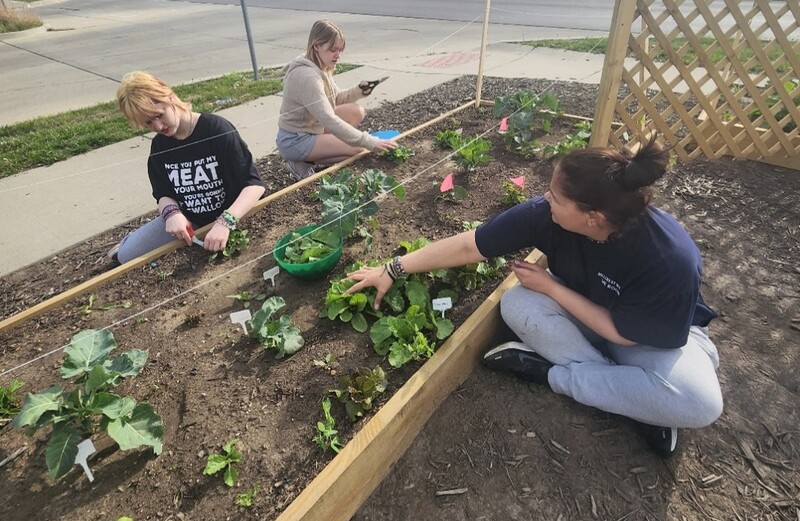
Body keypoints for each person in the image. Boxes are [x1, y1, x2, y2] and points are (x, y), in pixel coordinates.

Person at [346, 137, 723, 458]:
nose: (545, 199)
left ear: (593, 216)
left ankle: (556, 376)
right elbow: (470, 245)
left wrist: (554, 288)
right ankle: (635, 401)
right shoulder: (546, 215)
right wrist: (393, 268)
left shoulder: (670, 257)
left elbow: (626, 335)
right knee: (517, 304)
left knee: (701, 401)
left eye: (557, 197)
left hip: (647, 341)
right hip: (589, 325)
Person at [109, 71, 266, 264]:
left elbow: (254, 185)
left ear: (169, 96)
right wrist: (172, 214)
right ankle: (128, 243)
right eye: (148, 123)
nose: (158, 126)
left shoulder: (216, 129)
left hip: (232, 213)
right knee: (126, 256)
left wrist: (226, 222)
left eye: (159, 115)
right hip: (190, 221)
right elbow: (163, 193)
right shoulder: (160, 145)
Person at [276, 19, 397, 180]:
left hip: (311, 128)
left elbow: (336, 98)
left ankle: (320, 152)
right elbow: (329, 119)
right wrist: (369, 141)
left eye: (340, 50)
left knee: (356, 111)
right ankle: (301, 162)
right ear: (316, 46)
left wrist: (358, 91)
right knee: (358, 149)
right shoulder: (307, 77)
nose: (338, 55)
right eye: (333, 49)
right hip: (296, 140)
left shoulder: (320, 65)